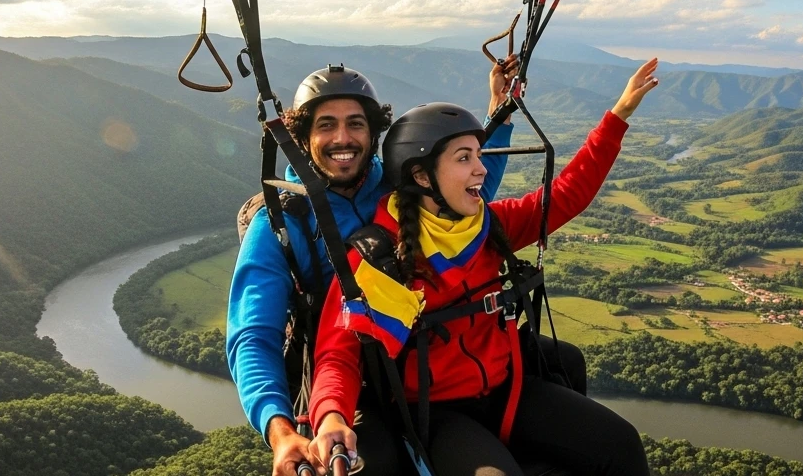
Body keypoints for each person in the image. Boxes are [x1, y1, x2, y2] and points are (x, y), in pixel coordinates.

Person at [230, 60, 585, 476]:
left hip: (425, 356)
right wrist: (280, 430)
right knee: (365, 466)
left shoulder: (399, 185)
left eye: (356, 124)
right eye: (326, 125)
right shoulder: (283, 222)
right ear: (304, 137)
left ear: (374, 132)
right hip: (348, 375)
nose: (342, 138)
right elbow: (253, 336)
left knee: (563, 362)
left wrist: (498, 114)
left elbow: (466, 199)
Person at [308, 58, 661, 476]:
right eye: (464, 158)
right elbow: (339, 354)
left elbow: (566, 196)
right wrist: (331, 414)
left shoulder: (488, 227)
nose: (480, 168)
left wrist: (617, 117)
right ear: (422, 177)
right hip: (438, 414)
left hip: (506, 390)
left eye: (478, 154)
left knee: (620, 446)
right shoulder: (382, 259)